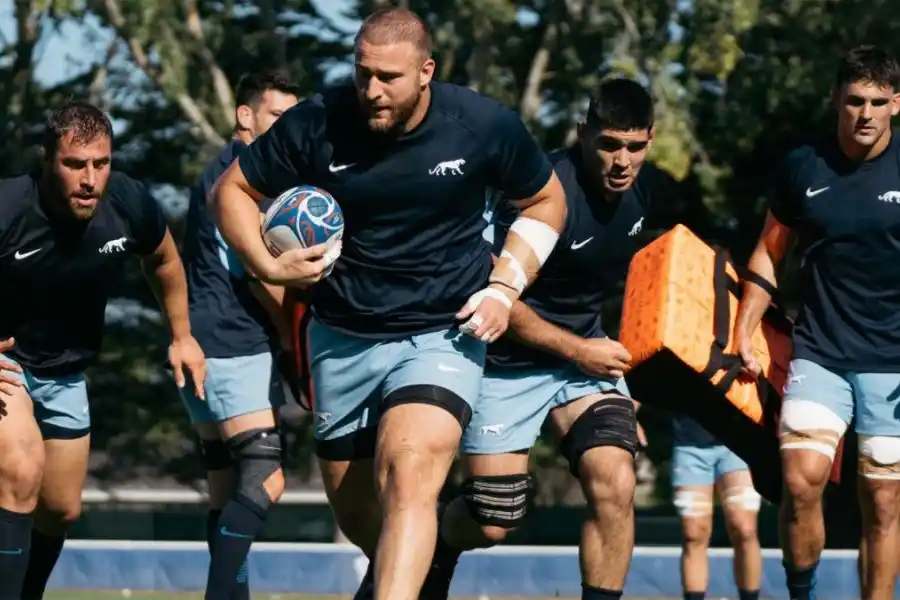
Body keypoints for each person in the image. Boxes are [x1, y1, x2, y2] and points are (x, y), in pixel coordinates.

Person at [211, 7, 567, 600]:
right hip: (341, 338)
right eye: (362, 74)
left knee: (409, 474)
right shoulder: (317, 122)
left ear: (426, 71)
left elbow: (545, 199)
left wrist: (506, 285)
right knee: (359, 517)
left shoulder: (480, 125)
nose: (371, 91)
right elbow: (235, 192)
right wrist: (268, 265)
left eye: (389, 78)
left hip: (440, 334)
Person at [406, 77, 660, 600]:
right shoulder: (541, 192)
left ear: (650, 140)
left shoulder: (645, 192)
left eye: (634, 147)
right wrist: (579, 350)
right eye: (609, 144)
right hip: (506, 363)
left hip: (583, 360)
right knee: (494, 519)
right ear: (582, 133)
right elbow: (496, 297)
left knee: (615, 482)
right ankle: (437, 542)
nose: (621, 161)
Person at [0, 101, 206, 599]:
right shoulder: (8, 208)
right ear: (47, 158)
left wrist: (182, 336)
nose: (91, 178)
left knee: (61, 509)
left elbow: (163, 260)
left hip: (68, 372)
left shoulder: (129, 203)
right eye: (75, 164)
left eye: (102, 163)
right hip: (8, 367)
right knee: (20, 469)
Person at [735, 45, 900, 600]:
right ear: (836, 99)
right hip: (820, 352)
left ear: (897, 104)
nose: (866, 114)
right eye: (855, 100)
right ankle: (801, 596)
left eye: (879, 101)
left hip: (893, 365)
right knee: (801, 480)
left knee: (881, 500)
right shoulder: (803, 165)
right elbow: (767, 252)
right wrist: (744, 329)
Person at [179, 71, 301, 600]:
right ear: (245, 116)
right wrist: (297, 347)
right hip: (233, 343)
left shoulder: (216, 172)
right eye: (276, 116)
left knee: (225, 490)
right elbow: (261, 277)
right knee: (266, 479)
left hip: (201, 341)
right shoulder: (239, 179)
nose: (286, 129)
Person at [670, 416, 762, 600]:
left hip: (738, 443)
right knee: (694, 533)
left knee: (744, 529)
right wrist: (629, 415)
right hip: (689, 445)